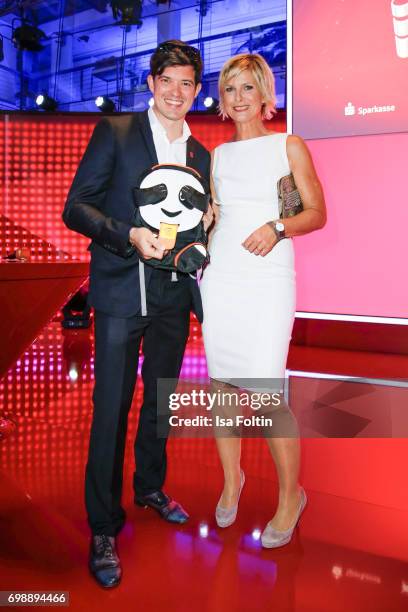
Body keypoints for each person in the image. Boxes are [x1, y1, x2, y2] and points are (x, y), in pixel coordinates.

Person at [62, 40, 210, 588]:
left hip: (172, 297)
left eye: (187, 83)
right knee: (111, 408)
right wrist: (127, 234)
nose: (176, 92)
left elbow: (192, 223)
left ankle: (150, 486)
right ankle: (103, 524)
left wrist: (207, 224)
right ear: (151, 83)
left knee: (161, 403)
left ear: (198, 90)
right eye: (166, 80)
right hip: (123, 295)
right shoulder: (118, 133)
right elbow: (77, 206)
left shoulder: (200, 154)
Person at [200, 53, 326, 548]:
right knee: (223, 390)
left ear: (264, 95)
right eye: (230, 89)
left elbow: (314, 213)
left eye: (247, 88)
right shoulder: (218, 156)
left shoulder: (287, 145)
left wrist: (276, 227)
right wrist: (201, 229)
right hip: (223, 277)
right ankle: (233, 481)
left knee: (267, 394)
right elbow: (217, 217)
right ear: (224, 101)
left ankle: (291, 496)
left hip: (269, 278)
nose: (238, 98)